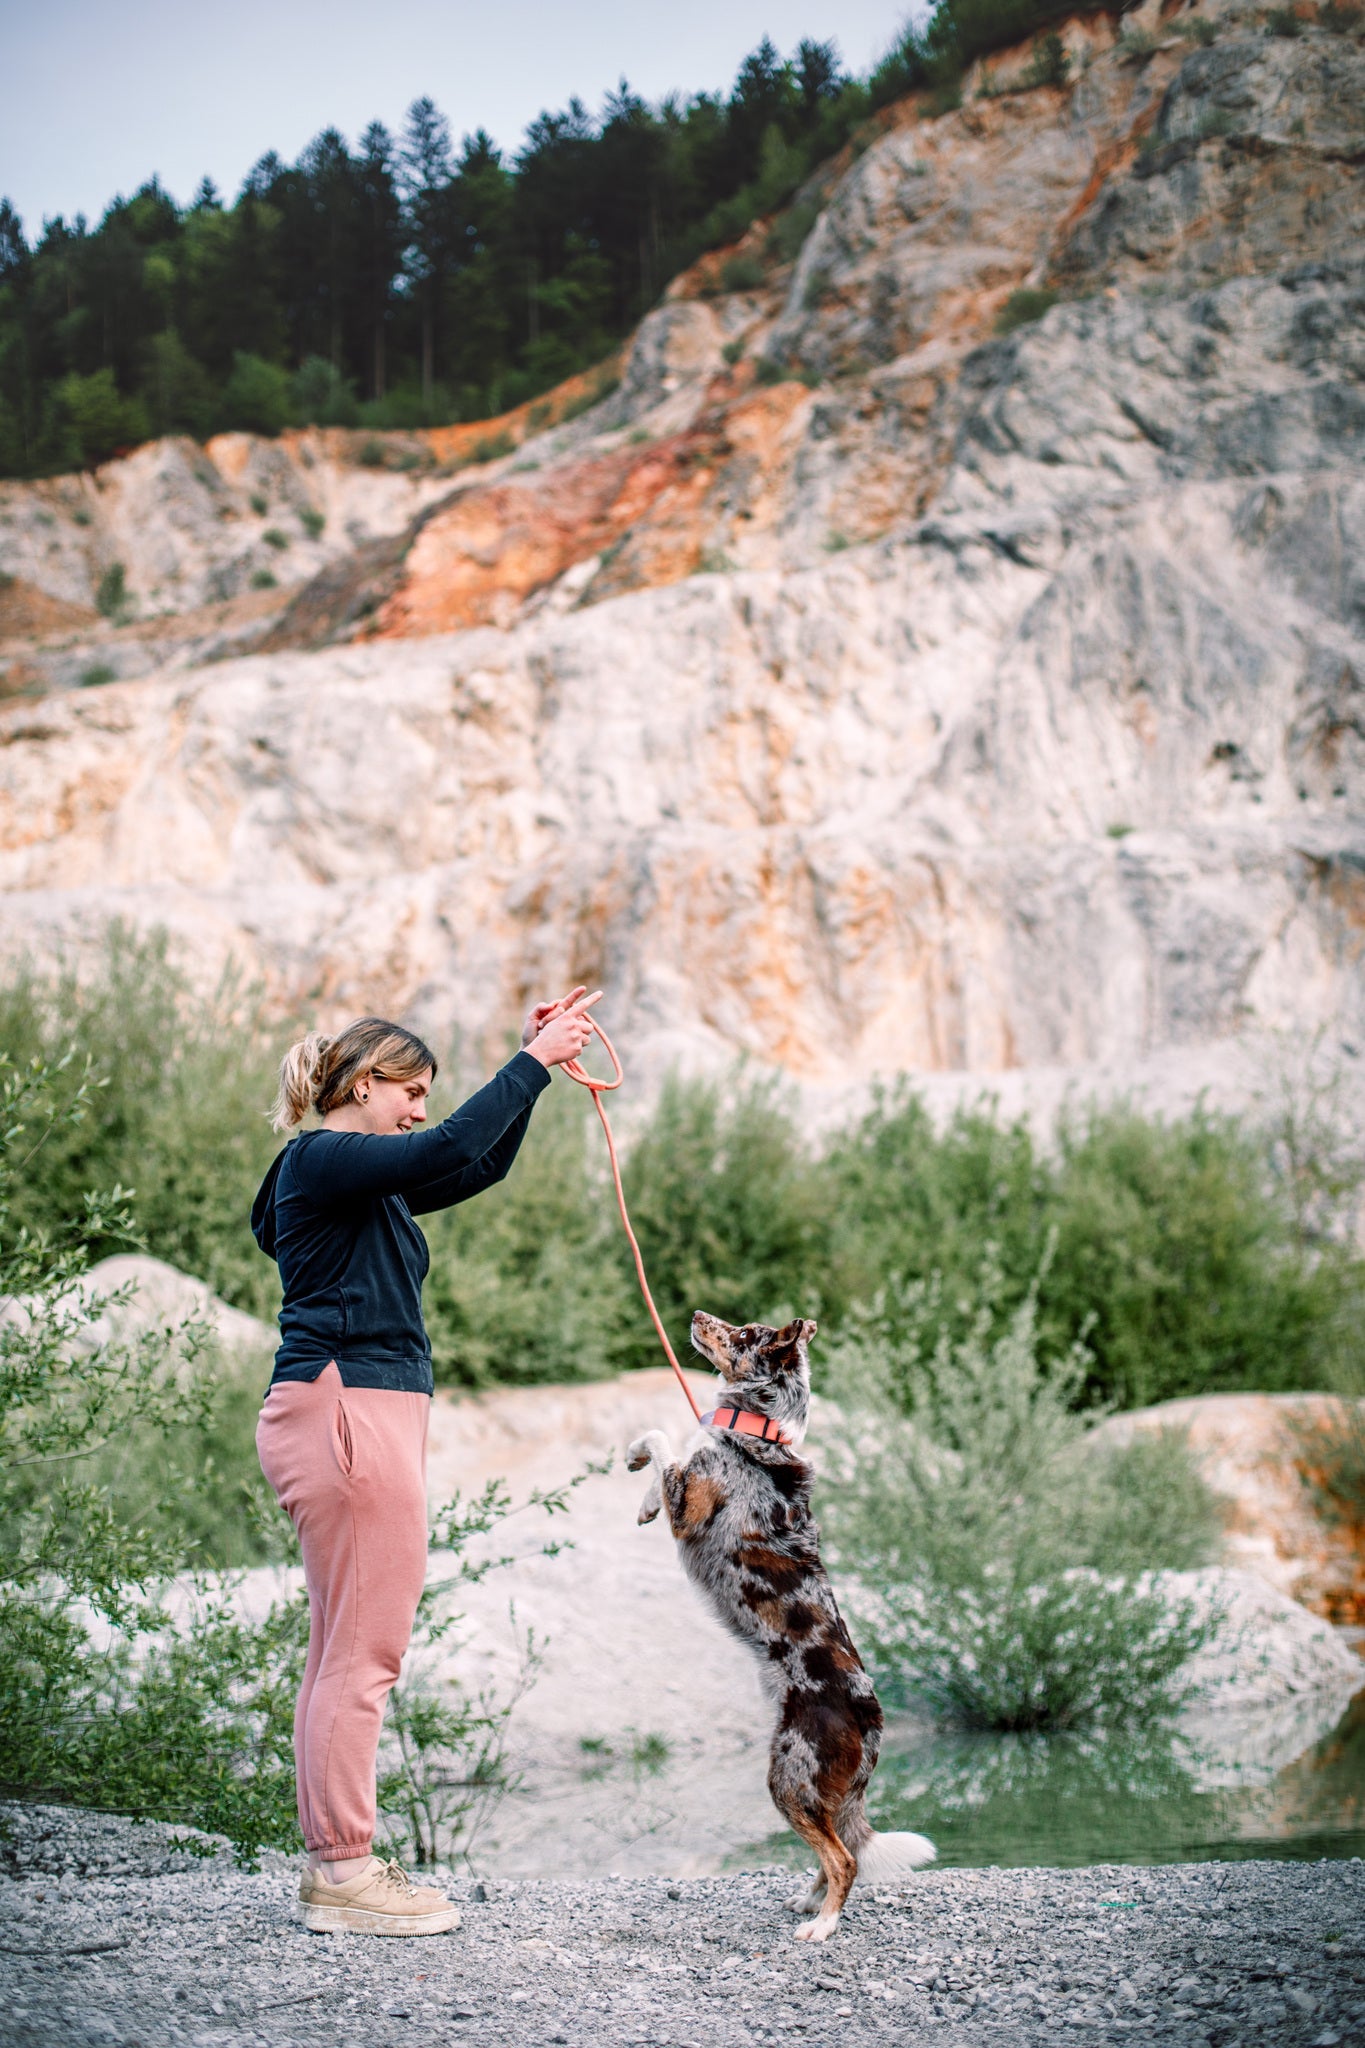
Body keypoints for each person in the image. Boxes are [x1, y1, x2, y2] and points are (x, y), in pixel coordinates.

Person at [251, 990, 599, 1935]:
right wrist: (531, 1062)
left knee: (342, 1654)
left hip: (355, 1408)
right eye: (410, 1092)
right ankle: (344, 1876)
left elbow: (469, 1164)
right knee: (363, 1656)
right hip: (347, 1407)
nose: (417, 1110)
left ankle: (340, 1864)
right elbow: (443, 1147)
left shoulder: (348, 1180)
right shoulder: (321, 1158)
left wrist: (536, 1067)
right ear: (365, 1085)